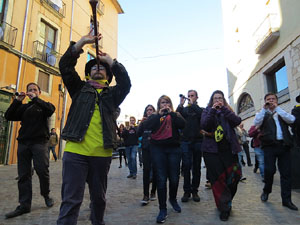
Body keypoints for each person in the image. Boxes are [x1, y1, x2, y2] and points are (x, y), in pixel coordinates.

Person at [56, 32, 131, 225]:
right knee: (71, 200)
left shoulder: (113, 94)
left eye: (103, 68)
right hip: (75, 153)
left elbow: (126, 83)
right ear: (89, 73)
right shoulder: (79, 89)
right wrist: (82, 42)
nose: (98, 69)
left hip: (102, 154)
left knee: (99, 199)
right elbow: (65, 66)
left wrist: (111, 61)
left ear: (108, 74)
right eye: (95, 67)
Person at [5, 82, 55, 219]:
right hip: (24, 143)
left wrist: (35, 99)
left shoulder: (44, 106)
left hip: (40, 143)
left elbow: (51, 110)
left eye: (34, 90)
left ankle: (46, 194)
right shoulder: (24, 108)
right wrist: (17, 101)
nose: (31, 91)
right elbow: (8, 116)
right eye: (29, 90)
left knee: (42, 170)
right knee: (23, 175)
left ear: (39, 93)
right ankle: (24, 205)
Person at [143, 95, 185, 224]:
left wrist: (172, 113)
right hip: (158, 149)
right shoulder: (155, 116)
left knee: (174, 178)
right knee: (161, 179)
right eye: (162, 103)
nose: (165, 105)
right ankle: (162, 209)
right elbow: (146, 127)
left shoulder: (175, 115)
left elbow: (183, 125)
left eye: (167, 102)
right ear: (158, 105)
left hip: (173, 148)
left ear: (170, 104)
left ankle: (172, 198)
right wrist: (157, 115)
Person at [201, 90, 242, 221]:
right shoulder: (207, 111)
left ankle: (226, 200)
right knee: (218, 181)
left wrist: (224, 109)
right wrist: (213, 110)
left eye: (220, 98)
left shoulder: (227, 111)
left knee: (235, 177)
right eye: (215, 98)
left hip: (229, 150)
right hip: (212, 152)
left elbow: (236, 121)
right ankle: (224, 207)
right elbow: (205, 126)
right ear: (211, 101)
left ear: (224, 100)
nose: (218, 100)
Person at [254, 93, 298, 211]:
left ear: (277, 101)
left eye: (273, 99)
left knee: (286, 173)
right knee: (269, 170)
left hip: (284, 146)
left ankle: (287, 200)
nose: (271, 101)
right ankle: (266, 190)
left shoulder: (281, 112)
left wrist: (277, 108)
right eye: (268, 99)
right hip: (269, 146)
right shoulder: (262, 113)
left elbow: (292, 120)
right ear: (265, 101)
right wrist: (264, 109)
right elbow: (256, 123)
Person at [176, 90, 203, 202]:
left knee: (196, 167)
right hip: (185, 141)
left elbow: (202, 116)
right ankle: (186, 191)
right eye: (188, 96)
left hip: (197, 140)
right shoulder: (185, 109)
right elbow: (176, 117)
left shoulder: (200, 109)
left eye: (192, 96)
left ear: (197, 97)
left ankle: (195, 190)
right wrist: (180, 104)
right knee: (186, 166)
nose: (190, 97)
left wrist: (193, 104)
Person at [137, 104, 157, 206]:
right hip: (145, 148)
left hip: (156, 148)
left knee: (156, 170)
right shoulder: (144, 122)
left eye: (151, 110)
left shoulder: (157, 120)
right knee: (146, 170)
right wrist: (141, 123)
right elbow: (138, 133)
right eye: (147, 110)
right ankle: (145, 194)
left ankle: (153, 191)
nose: (149, 112)